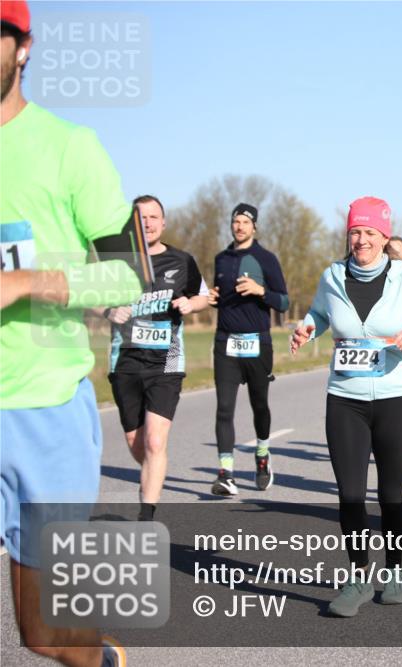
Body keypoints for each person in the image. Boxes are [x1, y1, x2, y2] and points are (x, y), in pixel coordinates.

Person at [1, 3, 137, 664]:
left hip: (42, 411)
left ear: (23, 48)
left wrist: (29, 283)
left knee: (42, 633)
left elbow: (128, 276)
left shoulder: (68, 147)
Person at [290, 196, 402, 617]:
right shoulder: (332, 275)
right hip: (346, 400)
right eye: (355, 232)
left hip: (397, 399)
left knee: (392, 496)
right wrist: (307, 329)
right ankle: (359, 576)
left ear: (383, 236)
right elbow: (319, 315)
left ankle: (395, 573)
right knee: (350, 494)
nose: (361, 240)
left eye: (370, 233)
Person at [105, 195, 210, 521]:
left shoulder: (182, 260)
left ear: (163, 223)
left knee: (153, 440)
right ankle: (156, 463)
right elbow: (86, 299)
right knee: (139, 444)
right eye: (142, 218)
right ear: (133, 225)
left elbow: (203, 296)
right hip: (124, 362)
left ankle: (145, 517)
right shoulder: (116, 263)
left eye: (154, 217)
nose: (148, 223)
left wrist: (192, 305)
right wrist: (108, 309)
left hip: (166, 362)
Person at [207, 203, 289, 495]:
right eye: (235, 221)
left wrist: (260, 291)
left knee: (259, 406)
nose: (239, 226)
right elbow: (220, 296)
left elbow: (284, 302)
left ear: (254, 227)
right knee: (224, 409)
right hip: (225, 341)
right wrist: (214, 298)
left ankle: (262, 455)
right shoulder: (221, 259)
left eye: (245, 222)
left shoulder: (265, 259)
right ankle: (225, 473)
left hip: (257, 342)